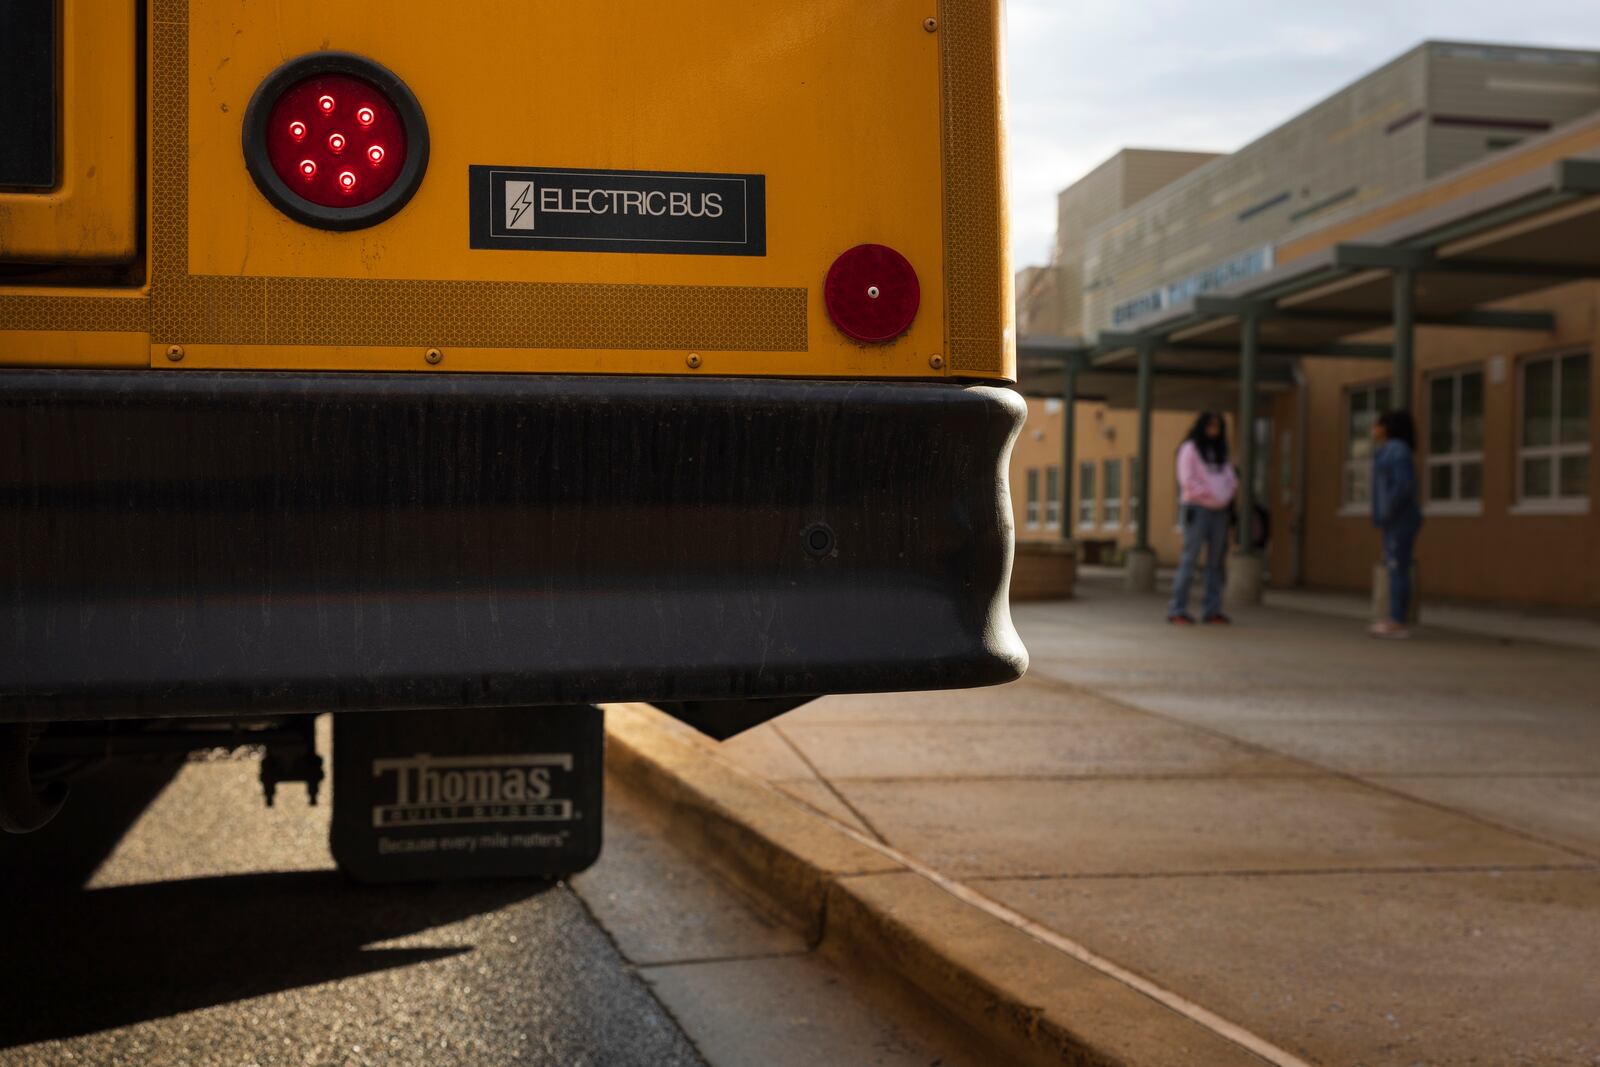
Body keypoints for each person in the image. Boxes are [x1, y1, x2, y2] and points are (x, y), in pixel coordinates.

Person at [1167, 412, 1238, 625]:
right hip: (1197, 510)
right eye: (1210, 427)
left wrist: (1225, 496)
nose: (1214, 431)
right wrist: (1210, 496)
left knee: (1215, 563)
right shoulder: (1189, 449)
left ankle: (1212, 610)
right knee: (1189, 559)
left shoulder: (1221, 452)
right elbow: (1187, 480)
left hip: (1220, 512)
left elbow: (1231, 478)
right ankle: (1177, 609)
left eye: (1217, 427)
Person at [1370, 409, 1422, 639]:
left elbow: (1403, 486)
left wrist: (1388, 511)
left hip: (1399, 519)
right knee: (1395, 568)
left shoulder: (1397, 451)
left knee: (1397, 568)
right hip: (1394, 519)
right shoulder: (1389, 451)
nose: (1373, 428)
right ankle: (1395, 617)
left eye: (1377, 424)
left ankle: (1398, 620)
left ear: (1387, 427)